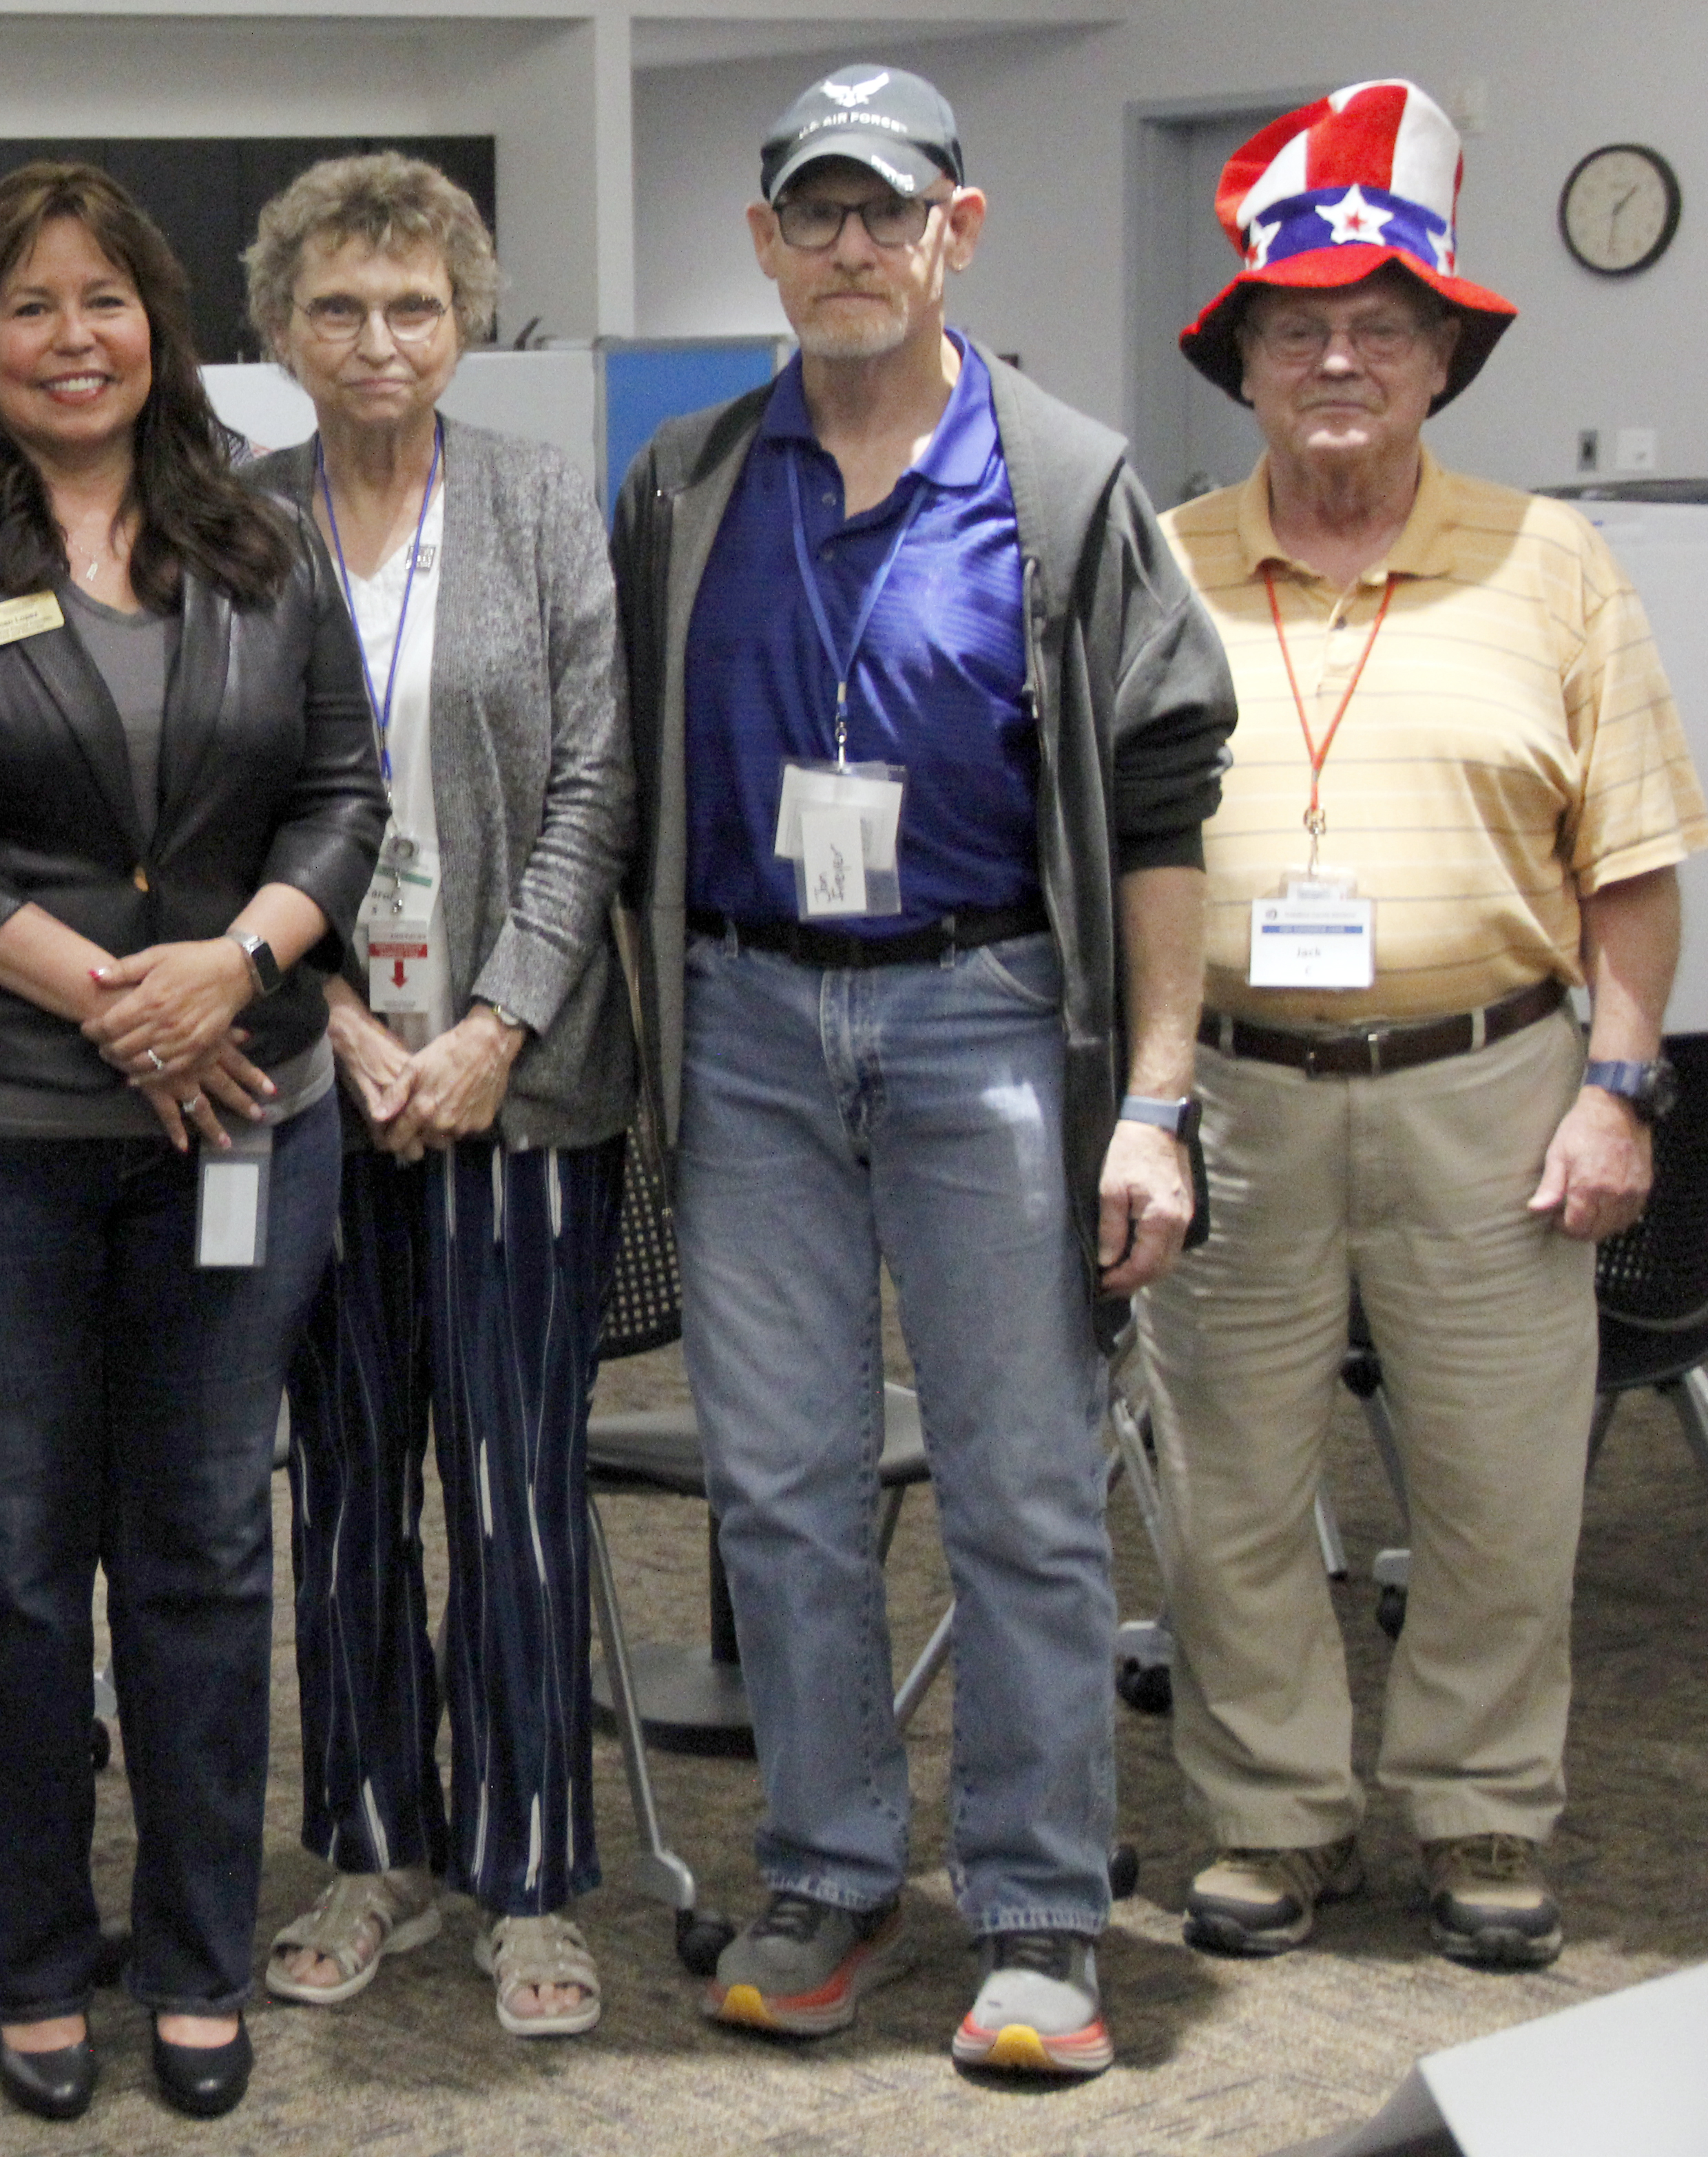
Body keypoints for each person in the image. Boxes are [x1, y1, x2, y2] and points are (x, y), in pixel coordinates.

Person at [609, 66, 1235, 2077]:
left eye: (887, 213)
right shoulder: (689, 483)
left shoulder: (1064, 480)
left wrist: (1152, 1097)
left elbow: (1158, 811)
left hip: (981, 1015)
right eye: (816, 214)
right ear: (767, 245)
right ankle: (827, 1866)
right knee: (783, 1483)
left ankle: (1041, 1902)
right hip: (748, 1027)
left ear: (955, 232)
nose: (851, 249)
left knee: (1022, 1484)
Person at [0, 160, 387, 2125]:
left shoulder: (257, 529)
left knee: (212, 1542)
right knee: (20, 1556)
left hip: (237, 1120)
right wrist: (114, 995)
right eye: (30, 305)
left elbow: (339, 793)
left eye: (106, 298)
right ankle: (38, 1959)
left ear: (162, 326)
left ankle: (199, 1951)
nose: (73, 336)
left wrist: (227, 965)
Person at [1145, 81, 1704, 1972]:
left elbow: (1630, 865)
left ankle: (1478, 1813)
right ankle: (1268, 1814)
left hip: (1490, 1084)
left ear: (1439, 358)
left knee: (1493, 1476)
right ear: (1238, 357)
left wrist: (1618, 1087)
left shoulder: (1550, 563)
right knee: (1231, 1481)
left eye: (1379, 327)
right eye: (1294, 326)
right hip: (1232, 1088)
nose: (1335, 359)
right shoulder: (1159, 563)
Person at [233, 152, 634, 2041]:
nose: (375, 339)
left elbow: (591, 794)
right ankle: (372, 1842)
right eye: (337, 306)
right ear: (280, 330)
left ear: (462, 321)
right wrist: (337, 1027)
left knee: (514, 1486)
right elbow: (213, 814)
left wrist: (488, 1026)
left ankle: (533, 1869)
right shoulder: (232, 528)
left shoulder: (549, 507)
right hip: (314, 1079)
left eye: (410, 305)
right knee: (343, 1486)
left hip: (516, 1091)